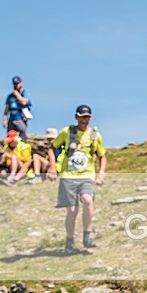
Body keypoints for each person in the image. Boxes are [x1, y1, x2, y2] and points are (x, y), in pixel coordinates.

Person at [46, 105, 107, 253]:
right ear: (76, 117)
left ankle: (87, 236)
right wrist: (52, 167)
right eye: (81, 117)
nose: (84, 120)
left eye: (87, 117)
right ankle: (70, 240)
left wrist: (101, 173)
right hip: (68, 176)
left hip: (87, 175)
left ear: (90, 118)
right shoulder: (67, 132)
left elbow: (102, 155)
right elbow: (51, 147)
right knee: (72, 210)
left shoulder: (95, 135)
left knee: (87, 200)